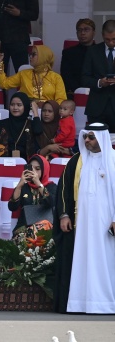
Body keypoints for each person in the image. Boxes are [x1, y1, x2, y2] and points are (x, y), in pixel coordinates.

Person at [54, 122, 115, 314]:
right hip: (82, 224)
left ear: (102, 138)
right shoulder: (77, 161)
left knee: (105, 260)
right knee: (82, 259)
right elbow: (62, 190)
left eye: (91, 137)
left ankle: (106, 303)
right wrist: (64, 215)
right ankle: (81, 302)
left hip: (106, 223)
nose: (86, 140)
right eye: (85, 137)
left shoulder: (113, 160)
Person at [0, 92, 40, 173]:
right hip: (2, 166)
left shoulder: (31, 124)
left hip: (26, 168)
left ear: (26, 107)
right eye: (12, 104)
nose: (15, 107)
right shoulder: (1, 124)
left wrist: (35, 113)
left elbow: (38, 131)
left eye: (19, 105)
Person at [0, 45, 67, 104]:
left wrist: (47, 106)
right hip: (26, 111)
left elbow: (61, 100)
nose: (30, 57)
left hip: (47, 113)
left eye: (34, 54)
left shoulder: (56, 77)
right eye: (30, 54)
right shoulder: (23, 74)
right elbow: (3, 84)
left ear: (43, 56)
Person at [7, 154, 55, 238]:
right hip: (24, 227)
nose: (34, 172)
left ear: (44, 170)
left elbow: (51, 202)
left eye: (37, 169)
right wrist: (19, 186)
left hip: (46, 228)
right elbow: (12, 207)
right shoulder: (24, 187)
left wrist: (38, 184)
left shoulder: (51, 187)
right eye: (31, 169)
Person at [82, 20, 115, 142]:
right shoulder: (93, 51)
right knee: (95, 145)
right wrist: (99, 83)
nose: (111, 43)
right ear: (102, 35)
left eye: (114, 39)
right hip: (97, 107)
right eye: (107, 39)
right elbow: (84, 78)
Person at [61, 18, 96, 96]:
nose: (82, 33)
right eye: (79, 30)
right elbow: (66, 76)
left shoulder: (101, 51)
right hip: (74, 92)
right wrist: (79, 90)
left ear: (94, 32)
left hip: (97, 91)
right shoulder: (68, 53)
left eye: (86, 30)